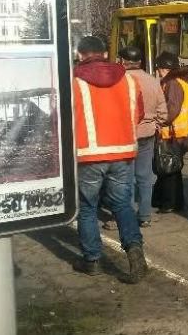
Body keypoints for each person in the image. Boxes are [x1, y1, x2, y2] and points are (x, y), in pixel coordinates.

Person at [72, 36, 148, 284]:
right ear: (105, 54)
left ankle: (92, 260)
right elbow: (139, 113)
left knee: (87, 208)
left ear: (80, 55)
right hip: (123, 153)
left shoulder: (74, 81)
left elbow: (62, 117)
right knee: (122, 204)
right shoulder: (129, 79)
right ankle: (135, 252)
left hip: (88, 155)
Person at [119, 46, 167, 228]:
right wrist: (155, 125)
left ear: (123, 61)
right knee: (145, 176)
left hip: (126, 135)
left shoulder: (120, 81)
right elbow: (163, 111)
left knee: (127, 177)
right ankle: (145, 215)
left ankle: (129, 214)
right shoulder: (153, 81)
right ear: (140, 62)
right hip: (147, 134)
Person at [152, 51, 188, 213]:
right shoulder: (182, 82)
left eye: (159, 68)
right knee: (174, 169)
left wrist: (160, 121)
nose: (158, 71)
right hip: (180, 133)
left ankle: (168, 203)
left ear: (165, 68)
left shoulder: (173, 84)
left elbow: (172, 109)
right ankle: (174, 202)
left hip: (172, 134)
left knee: (168, 170)